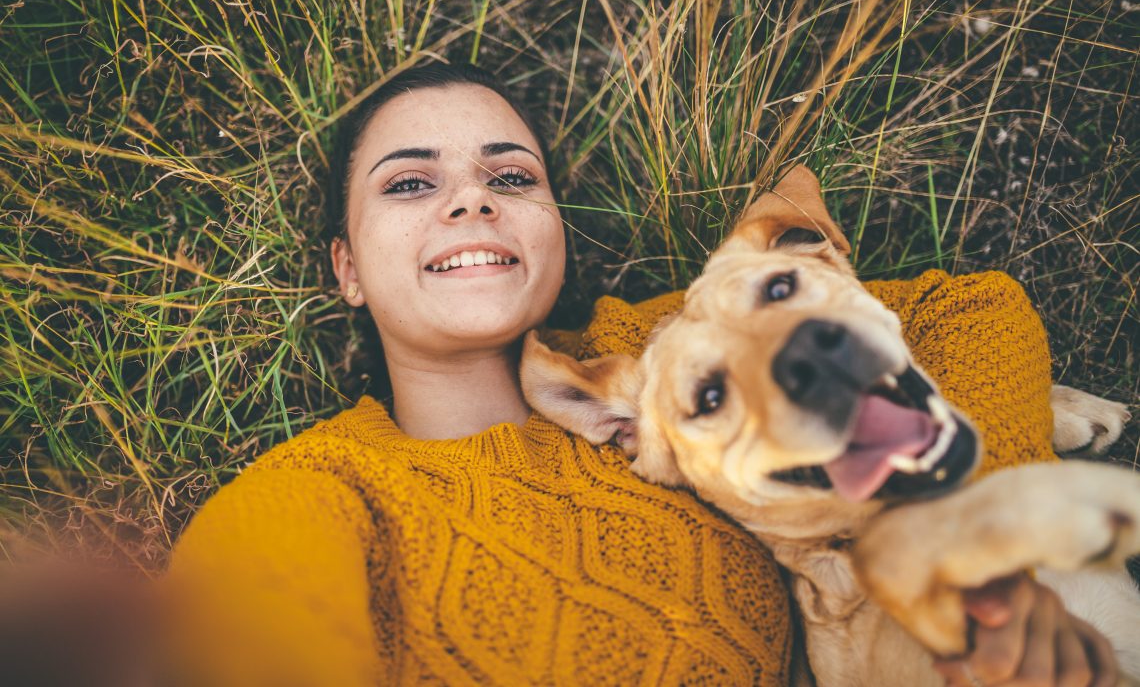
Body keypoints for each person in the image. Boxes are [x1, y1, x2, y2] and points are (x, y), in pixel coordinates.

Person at [163, 62, 1120, 686]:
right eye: (412, 183)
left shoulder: (667, 351)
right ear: (345, 269)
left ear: (553, 232)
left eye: (513, 177)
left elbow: (969, 308)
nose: (472, 200)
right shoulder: (316, 490)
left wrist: (975, 540)